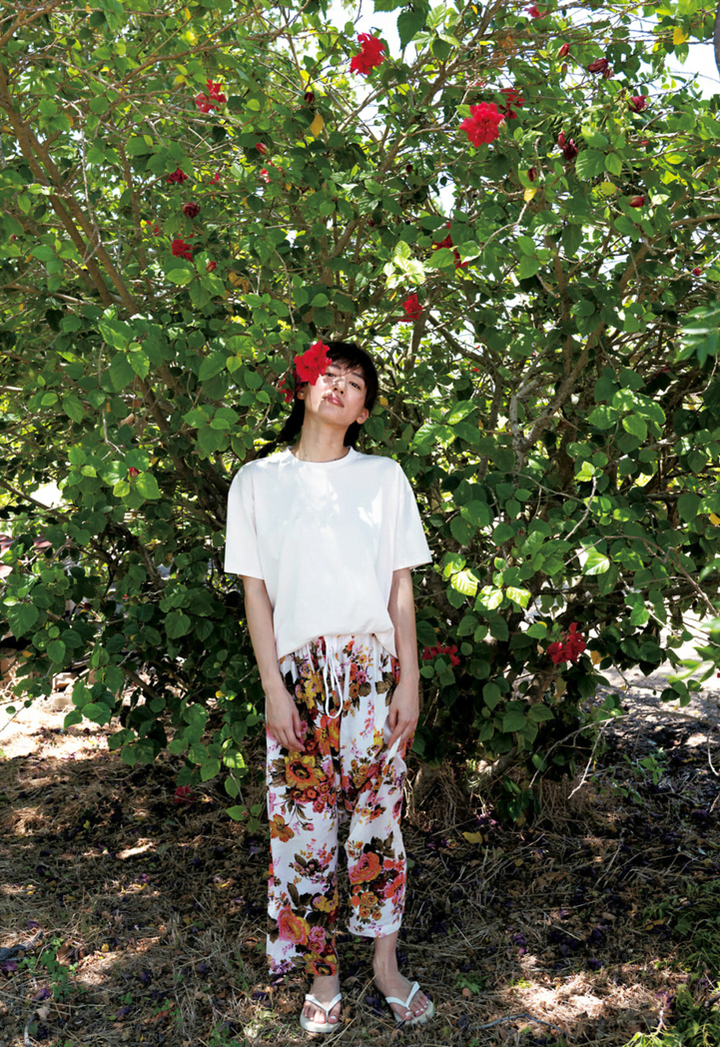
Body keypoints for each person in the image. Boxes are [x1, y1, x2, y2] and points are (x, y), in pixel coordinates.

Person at [224, 340, 433, 1033]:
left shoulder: (383, 478)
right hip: (297, 676)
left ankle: (385, 965)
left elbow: (399, 586)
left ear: (363, 410)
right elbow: (256, 594)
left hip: (371, 672)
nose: (339, 386)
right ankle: (323, 972)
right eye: (329, 374)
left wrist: (409, 679)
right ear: (305, 387)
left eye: (355, 383)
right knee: (302, 831)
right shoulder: (257, 481)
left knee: (378, 823)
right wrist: (272, 688)